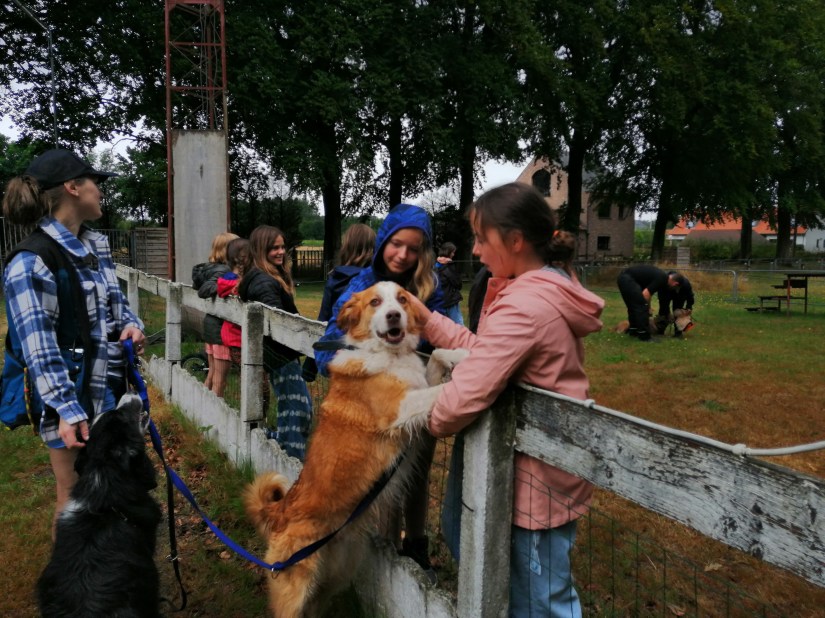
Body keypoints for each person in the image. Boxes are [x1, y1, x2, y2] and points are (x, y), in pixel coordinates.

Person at [407, 182, 604, 617]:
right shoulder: (538, 290)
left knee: (540, 601)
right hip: (539, 470)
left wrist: (418, 417)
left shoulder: (526, 306)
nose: (476, 250)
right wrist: (429, 321)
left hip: (537, 483)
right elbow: (488, 353)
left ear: (515, 241)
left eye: (482, 238)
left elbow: (466, 394)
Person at [2, 149, 146, 538]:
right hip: (72, 399)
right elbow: (39, 349)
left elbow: (117, 306)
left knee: (114, 493)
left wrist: (131, 326)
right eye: (95, 182)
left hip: (110, 391)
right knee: (75, 497)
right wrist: (67, 410)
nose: (100, 190)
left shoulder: (95, 247)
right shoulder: (31, 263)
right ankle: (73, 576)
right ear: (73, 187)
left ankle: (111, 568)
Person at [314, 203, 446, 582]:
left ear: (423, 252)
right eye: (396, 244)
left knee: (416, 473)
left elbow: (453, 333)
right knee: (383, 473)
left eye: (413, 248)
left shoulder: (433, 287)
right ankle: (386, 549)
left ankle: (416, 546)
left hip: (425, 392)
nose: (403, 255)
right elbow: (328, 345)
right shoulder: (361, 287)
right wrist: (371, 368)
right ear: (384, 241)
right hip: (376, 403)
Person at [238, 225, 312, 461]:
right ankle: (292, 461)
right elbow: (277, 320)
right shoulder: (264, 281)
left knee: (295, 408)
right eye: (274, 248)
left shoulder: (264, 277)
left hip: (280, 356)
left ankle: (278, 446)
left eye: (282, 247)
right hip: (281, 356)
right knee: (297, 410)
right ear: (261, 250)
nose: (280, 252)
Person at [302, 223, 376, 381]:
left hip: (337, 351)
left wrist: (310, 364)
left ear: (346, 246)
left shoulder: (335, 278)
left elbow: (323, 318)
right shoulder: (372, 281)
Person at [192, 232, 238, 396]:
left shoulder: (210, 269)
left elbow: (197, 286)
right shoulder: (224, 271)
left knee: (212, 374)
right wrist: (228, 287)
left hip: (211, 326)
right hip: (220, 331)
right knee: (220, 380)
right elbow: (204, 290)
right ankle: (214, 410)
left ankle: (203, 406)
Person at [616, 265, 681, 341]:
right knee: (641, 307)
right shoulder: (663, 279)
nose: (672, 288)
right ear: (675, 284)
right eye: (674, 288)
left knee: (633, 307)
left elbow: (648, 293)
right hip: (628, 280)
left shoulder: (660, 275)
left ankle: (633, 331)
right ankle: (644, 336)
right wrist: (646, 308)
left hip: (623, 278)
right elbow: (645, 294)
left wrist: (648, 307)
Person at [216, 238, 251, 368]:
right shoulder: (239, 284)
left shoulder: (226, 280)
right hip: (238, 337)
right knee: (253, 374)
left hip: (232, 336)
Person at [655, 271, 694, 337]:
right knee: (663, 311)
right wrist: (668, 313)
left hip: (680, 295)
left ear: (677, 284)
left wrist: (689, 307)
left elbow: (690, 296)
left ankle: (678, 333)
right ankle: (660, 331)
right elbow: (663, 303)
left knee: (678, 311)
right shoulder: (663, 283)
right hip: (665, 293)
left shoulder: (686, 284)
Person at [435, 241, 464, 325]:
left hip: (439, 301)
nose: (453, 255)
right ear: (448, 252)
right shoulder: (449, 266)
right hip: (450, 301)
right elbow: (458, 284)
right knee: (458, 325)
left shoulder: (434, 266)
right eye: (452, 252)